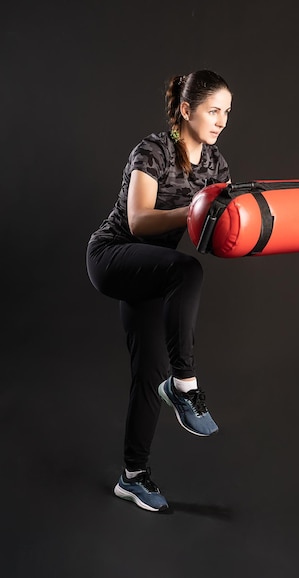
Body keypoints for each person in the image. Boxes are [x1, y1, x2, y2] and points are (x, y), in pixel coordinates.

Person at [86, 69, 232, 512]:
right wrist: (195, 208)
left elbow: (212, 231)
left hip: (155, 270)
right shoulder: (153, 151)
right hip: (114, 255)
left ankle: (132, 476)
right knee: (188, 271)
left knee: (147, 374)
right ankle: (185, 385)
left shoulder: (217, 166)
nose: (222, 120)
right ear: (186, 110)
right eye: (213, 110)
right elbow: (139, 221)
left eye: (227, 112)